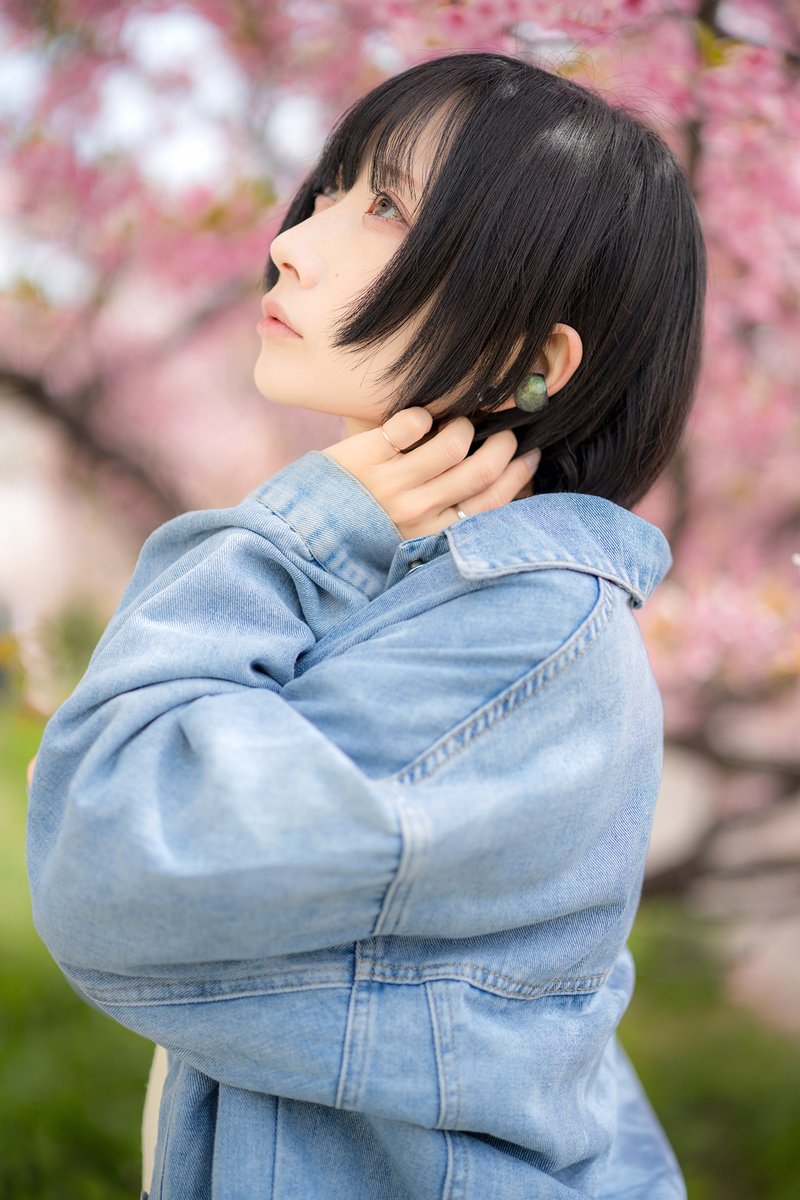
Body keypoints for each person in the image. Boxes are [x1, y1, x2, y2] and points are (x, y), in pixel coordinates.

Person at [26, 50, 705, 1200]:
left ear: (530, 365)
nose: (291, 240)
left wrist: (289, 534)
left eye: (386, 208)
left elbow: (114, 856)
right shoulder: (465, 602)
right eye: (333, 187)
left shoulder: (517, 632)